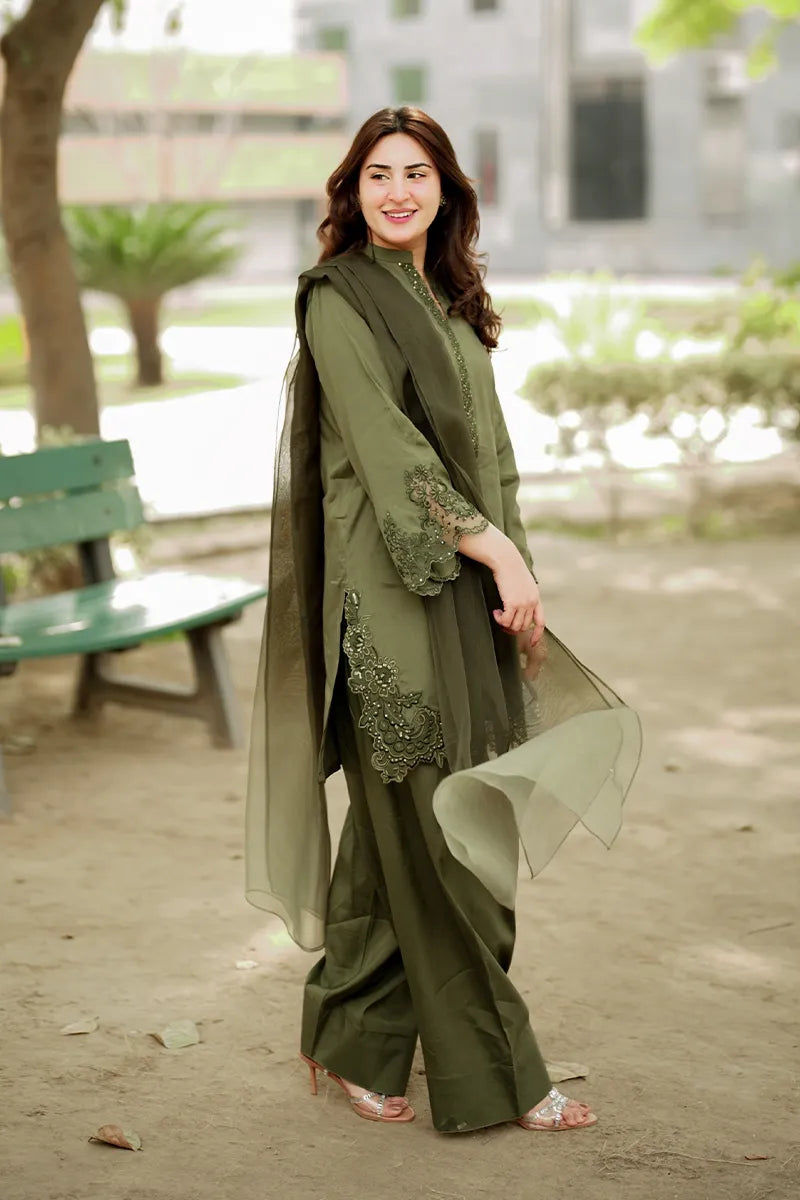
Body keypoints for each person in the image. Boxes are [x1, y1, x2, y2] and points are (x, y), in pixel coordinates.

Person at [246, 107, 640, 1134]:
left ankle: (350, 1034)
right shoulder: (336, 299)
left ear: (446, 193)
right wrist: (495, 549)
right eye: (376, 173)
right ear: (350, 191)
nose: (395, 191)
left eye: (415, 173)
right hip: (383, 600)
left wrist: (517, 576)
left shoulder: (454, 302)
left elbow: (492, 464)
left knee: (395, 838)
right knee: (440, 836)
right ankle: (497, 1071)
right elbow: (387, 453)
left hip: (463, 588)